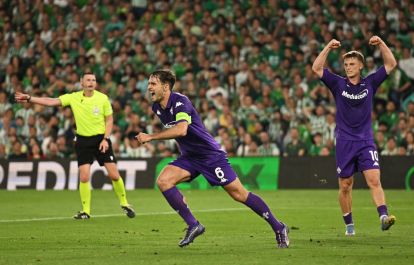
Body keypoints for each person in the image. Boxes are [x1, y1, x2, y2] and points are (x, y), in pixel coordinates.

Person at [136, 69, 289, 248]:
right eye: (149, 84)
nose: (149, 88)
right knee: (163, 181)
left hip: (210, 155)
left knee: (239, 194)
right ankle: (194, 225)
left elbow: (181, 130)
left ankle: (279, 227)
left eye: (153, 84)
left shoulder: (180, 101)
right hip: (190, 157)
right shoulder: (157, 107)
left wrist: (151, 136)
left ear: (166, 86)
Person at [15, 72, 135, 220]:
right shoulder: (73, 97)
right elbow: (52, 101)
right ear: (81, 82)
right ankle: (86, 211)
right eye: (88, 80)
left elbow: (109, 120)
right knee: (84, 177)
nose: (91, 82)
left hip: (101, 139)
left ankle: (124, 203)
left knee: (114, 174)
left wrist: (106, 139)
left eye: (94, 80)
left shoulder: (102, 98)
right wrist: (30, 98)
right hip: (83, 141)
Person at [312, 36, 397, 236]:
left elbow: (391, 64)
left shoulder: (370, 83)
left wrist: (382, 43)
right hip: (344, 142)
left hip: (366, 141)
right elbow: (316, 69)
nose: (348, 67)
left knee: (374, 180)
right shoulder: (338, 84)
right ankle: (349, 225)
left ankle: (383, 217)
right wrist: (327, 47)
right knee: (345, 186)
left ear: (360, 66)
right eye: (346, 64)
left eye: (352, 64)